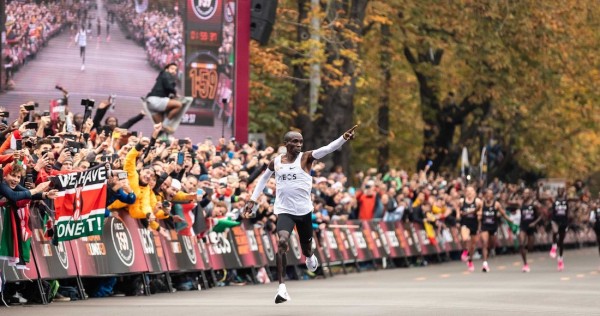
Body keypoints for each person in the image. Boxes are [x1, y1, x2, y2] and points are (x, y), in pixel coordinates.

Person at [244, 125, 358, 304]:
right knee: (282, 241)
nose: (299, 145)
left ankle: (310, 256)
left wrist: (343, 138)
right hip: (284, 210)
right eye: (295, 142)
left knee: (306, 248)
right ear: (286, 144)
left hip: (304, 211)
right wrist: (252, 199)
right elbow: (264, 178)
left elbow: (327, 149)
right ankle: (282, 288)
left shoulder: (306, 158)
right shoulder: (276, 162)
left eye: (301, 142)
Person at [143, 63, 189, 133]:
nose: (174, 71)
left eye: (175, 70)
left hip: (150, 104)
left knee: (159, 130)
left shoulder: (162, 77)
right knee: (179, 105)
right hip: (156, 100)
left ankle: (153, 142)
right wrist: (175, 93)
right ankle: (166, 124)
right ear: (166, 69)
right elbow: (169, 86)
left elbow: (166, 87)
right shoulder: (166, 74)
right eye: (172, 69)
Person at [480, 189, 512, 272]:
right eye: (486, 194)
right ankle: (485, 263)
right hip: (484, 226)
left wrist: (510, 220)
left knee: (491, 244)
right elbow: (477, 211)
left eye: (490, 195)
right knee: (484, 243)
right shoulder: (481, 203)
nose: (488, 196)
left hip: (493, 227)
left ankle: (491, 250)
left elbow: (503, 213)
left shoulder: (496, 204)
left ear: (492, 196)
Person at [456, 186, 482, 272]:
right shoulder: (462, 201)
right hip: (465, 223)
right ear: (465, 192)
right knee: (465, 238)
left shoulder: (478, 201)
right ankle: (465, 251)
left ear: (474, 192)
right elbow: (457, 208)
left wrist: (479, 215)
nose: (470, 192)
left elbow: (480, 212)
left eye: (471, 191)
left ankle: (470, 261)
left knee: (473, 245)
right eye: (468, 191)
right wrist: (458, 215)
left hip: (474, 223)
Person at [518, 188, 542, 272]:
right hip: (523, 226)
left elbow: (541, 215)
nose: (525, 195)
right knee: (521, 244)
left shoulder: (534, 203)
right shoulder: (521, 203)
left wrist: (534, 223)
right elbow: (508, 202)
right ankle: (525, 264)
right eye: (524, 193)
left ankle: (527, 250)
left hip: (531, 226)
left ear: (530, 194)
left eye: (527, 193)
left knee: (530, 247)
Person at [549, 187, 569, 271]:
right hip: (555, 220)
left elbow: (569, 211)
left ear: (564, 192)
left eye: (562, 190)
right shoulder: (554, 200)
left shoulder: (566, 200)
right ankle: (553, 246)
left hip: (564, 221)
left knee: (561, 242)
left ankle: (560, 259)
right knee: (555, 231)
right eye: (559, 190)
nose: (560, 192)